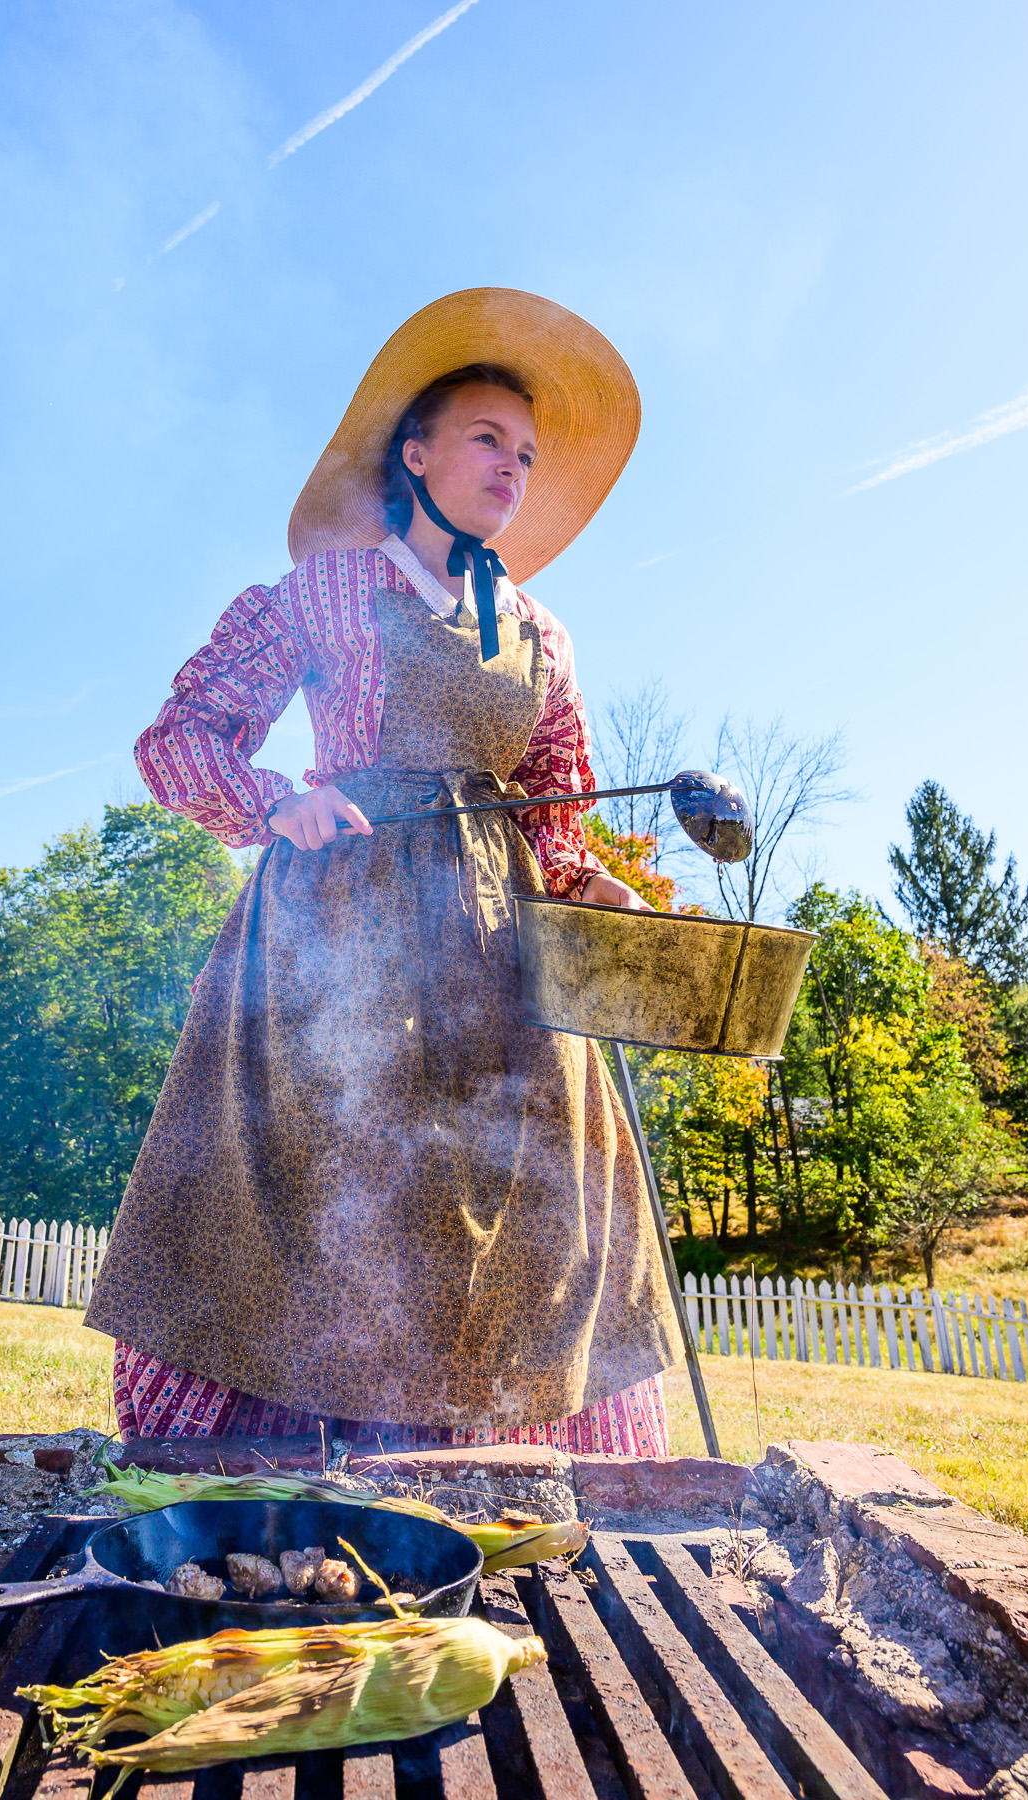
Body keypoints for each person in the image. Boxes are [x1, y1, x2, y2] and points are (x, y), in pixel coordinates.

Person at [84, 288, 682, 1456]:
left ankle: (498, 1475)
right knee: (326, 1192)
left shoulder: (545, 639)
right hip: (334, 939)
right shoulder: (322, 595)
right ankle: (279, 1466)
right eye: (484, 439)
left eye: (524, 452)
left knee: (535, 1201)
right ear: (416, 454)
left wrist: (596, 884)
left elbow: (555, 812)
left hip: (502, 956)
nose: (511, 467)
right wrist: (277, 800)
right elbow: (181, 738)